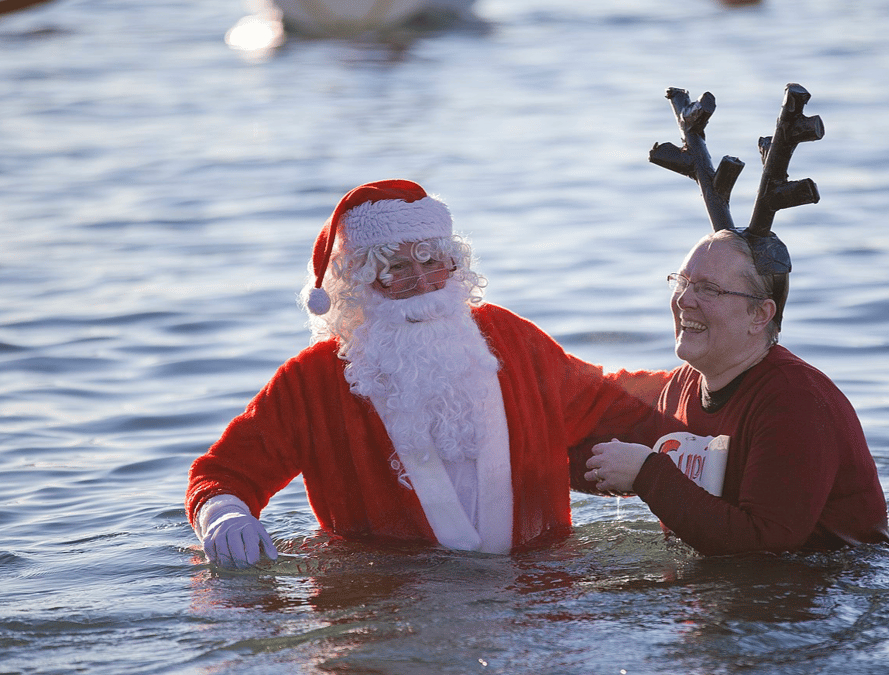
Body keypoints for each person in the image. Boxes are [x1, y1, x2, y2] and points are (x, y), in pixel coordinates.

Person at [186, 179, 666, 567]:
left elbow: (611, 403)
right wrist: (225, 515)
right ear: (356, 283)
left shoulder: (510, 338)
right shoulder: (313, 380)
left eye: (433, 262)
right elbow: (224, 473)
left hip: (536, 605)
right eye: (395, 268)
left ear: (454, 264)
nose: (422, 284)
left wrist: (715, 393)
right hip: (391, 611)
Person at [584, 228, 889, 556]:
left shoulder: (795, 402)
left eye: (708, 289)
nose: (684, 300)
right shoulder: (679, 389)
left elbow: (765, 545)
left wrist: (648, 474)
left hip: (834, 582)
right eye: (682, 282)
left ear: (759, 315)